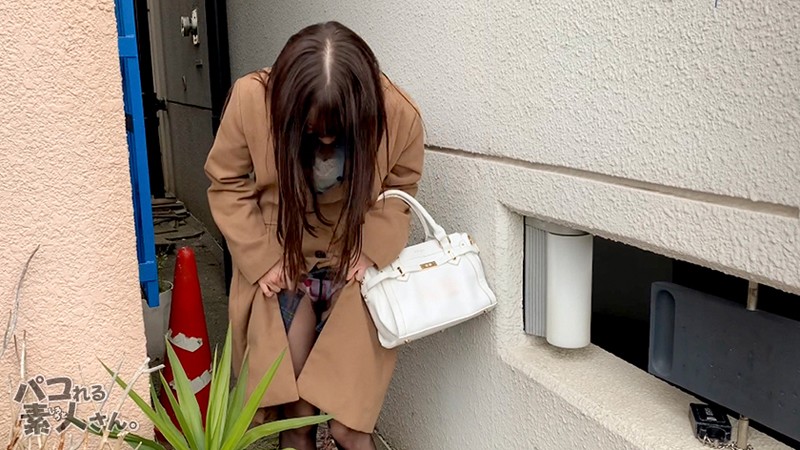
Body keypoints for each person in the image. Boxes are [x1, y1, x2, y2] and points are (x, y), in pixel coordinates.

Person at [204, 21, 424, 450]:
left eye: (339, 128)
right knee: (296, 417)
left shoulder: (398, 114)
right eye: (312, 127)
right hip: (282, 268)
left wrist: (373, 248)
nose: (325, 137)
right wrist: (261, 258)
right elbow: (226, 181)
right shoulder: (252, 100)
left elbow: (401, 185)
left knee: (350, 426)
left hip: (354, 274)